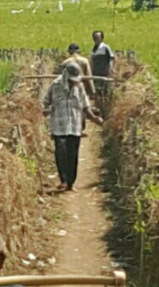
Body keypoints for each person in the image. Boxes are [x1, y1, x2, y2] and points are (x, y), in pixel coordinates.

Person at [42, 62, 104, 191]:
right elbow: (45, 102)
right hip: (59, 125)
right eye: (71, 80)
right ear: (66, 76)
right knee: (60, 152)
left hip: (75, 125)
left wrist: (94, 118)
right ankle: (63, 180)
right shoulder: (55, 85)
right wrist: (46, 110)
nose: (73, 83)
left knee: (72, 153)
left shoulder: (79, 87)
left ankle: (71, 182)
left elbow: (86, 106)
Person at [65, 43, 95, 137]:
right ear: (79, 51)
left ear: (69, 52)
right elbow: (89, 77)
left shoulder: (66, 63)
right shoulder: (84, 61)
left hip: (69, 88)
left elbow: (62, 78)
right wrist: (92, 91)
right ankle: (80, 128)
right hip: (82, 87)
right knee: (82, 108)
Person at [90, 31, 116, 105]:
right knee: (96, 90)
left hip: (104, 73)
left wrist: (110, 68)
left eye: (98, 38)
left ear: (101, 38)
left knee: (104, 90)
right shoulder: (94, 49)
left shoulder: (105, 47)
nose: (96, 39)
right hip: (95, 73)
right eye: (94, 38)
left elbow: (112, 58)